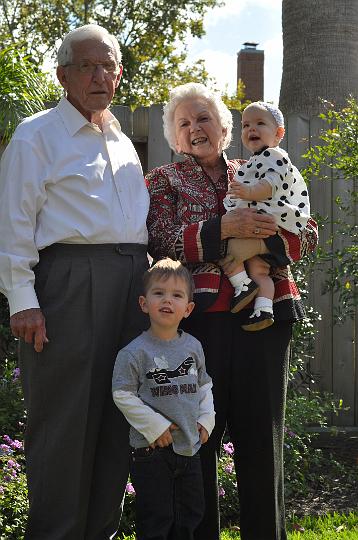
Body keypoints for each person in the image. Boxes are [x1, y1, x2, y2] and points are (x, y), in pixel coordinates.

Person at [145, 82, 318, 540]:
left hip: (267, 320)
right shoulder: (162, 181)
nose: (195, 129)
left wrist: (264, 240)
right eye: (184, 124)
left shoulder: (266, 165)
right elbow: (160, 239)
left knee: (263, 441)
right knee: (198, 440)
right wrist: (224, 228)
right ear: (174, 138)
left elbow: (307, 230)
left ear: (225, 127)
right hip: (199, 325)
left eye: (204, 118)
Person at [0, 24, 149, 539]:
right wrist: (24, 299)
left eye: (108, 65)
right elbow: (12, 223)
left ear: (120, 73)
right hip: (68, 285)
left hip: (132, 285)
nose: (99, 75)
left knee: (118, 418)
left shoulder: (124, 141)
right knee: (65, 425)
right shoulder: (36, 135)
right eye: (87, 65)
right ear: (63, 75)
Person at [112, 258, 215, 540]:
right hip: (151, 453)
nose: (167, 300)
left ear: (188, 308)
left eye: (177, 295)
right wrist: (155, 427)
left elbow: (204, 385)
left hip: (189, 449)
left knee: (190, 515)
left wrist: (206, 420)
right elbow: (122, 394)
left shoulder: (193, 347)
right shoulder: (134, 352)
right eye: (159, 293)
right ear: (144, 303)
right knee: (157, 519)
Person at [223, 101, 311, 331]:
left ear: (279, 133)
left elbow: (270, 184)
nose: (251, 129)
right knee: (259, 270)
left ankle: (243, 285)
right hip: (262, 219)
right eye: (246, 125)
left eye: (260, 123)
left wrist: (248, 192)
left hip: (272, 215)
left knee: (227, 250)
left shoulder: (275, 155)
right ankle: (263, 308)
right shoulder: (254, 161)